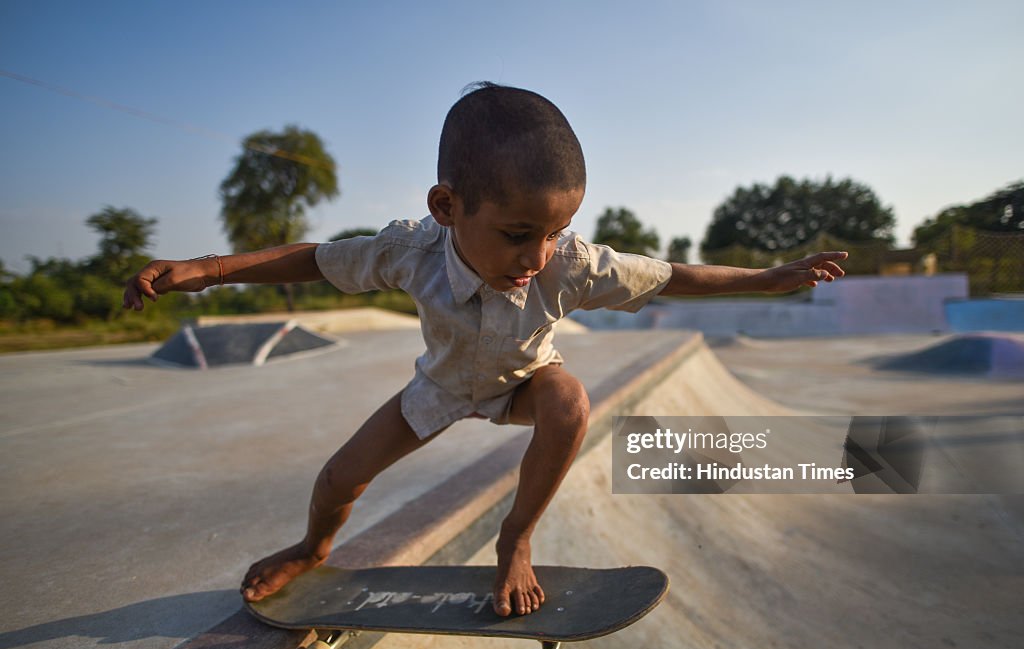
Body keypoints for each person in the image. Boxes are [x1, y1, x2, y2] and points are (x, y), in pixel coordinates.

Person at [123, 82, 847, 617]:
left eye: (554, 231)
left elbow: (670, 276)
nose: (536, 254)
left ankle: (516, 539)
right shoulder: (409, 250)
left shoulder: (573, 263)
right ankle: (312, 547)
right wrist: (207, 270)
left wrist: (770, 276)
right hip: (436, 389)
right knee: (337, 478)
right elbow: (314, 258)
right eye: (515, 233)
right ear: (448, 208)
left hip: (522, 382)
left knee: (569, 400)